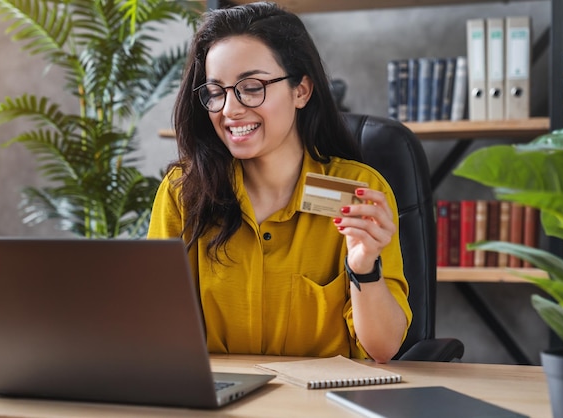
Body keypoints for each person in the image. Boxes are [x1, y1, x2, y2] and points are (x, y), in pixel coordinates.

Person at [148, 1, 411, 363]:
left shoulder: (357, 191)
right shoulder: (185, 192)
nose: (230, 109)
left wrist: (363, 266)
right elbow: (157, 331)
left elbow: (383, 349)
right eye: (216, 91)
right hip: (220, 401)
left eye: (251, 87)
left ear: (301, 90)